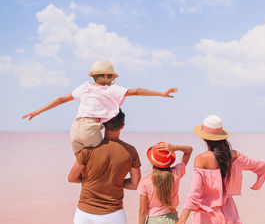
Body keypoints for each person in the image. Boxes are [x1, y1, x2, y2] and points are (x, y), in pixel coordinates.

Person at [22, 60, 177, 154]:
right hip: (90, 127)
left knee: (83, 162)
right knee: (100, 157)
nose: (112, 80)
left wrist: (37, 112)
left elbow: (60, 99)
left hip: (74, 129)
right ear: (108, 76)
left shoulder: (84, 87)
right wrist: (161, 93)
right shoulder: (110, 89)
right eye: (111, 76)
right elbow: (136, 91)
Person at [68, 109, 141, 224]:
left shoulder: (88, 148)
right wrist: (115, 182)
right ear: (123, 126)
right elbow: (135, 184)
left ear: (103, 124)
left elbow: (72, 177)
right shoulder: (131, 151)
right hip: (113, 212)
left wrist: (90, 180)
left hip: (85, 211)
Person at [137, 142, 192, 224]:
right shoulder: (176, 173)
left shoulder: (145, 182)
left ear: (152, 161)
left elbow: (142, 211)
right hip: (173, 221)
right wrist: (176, 147)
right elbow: (189, 150)